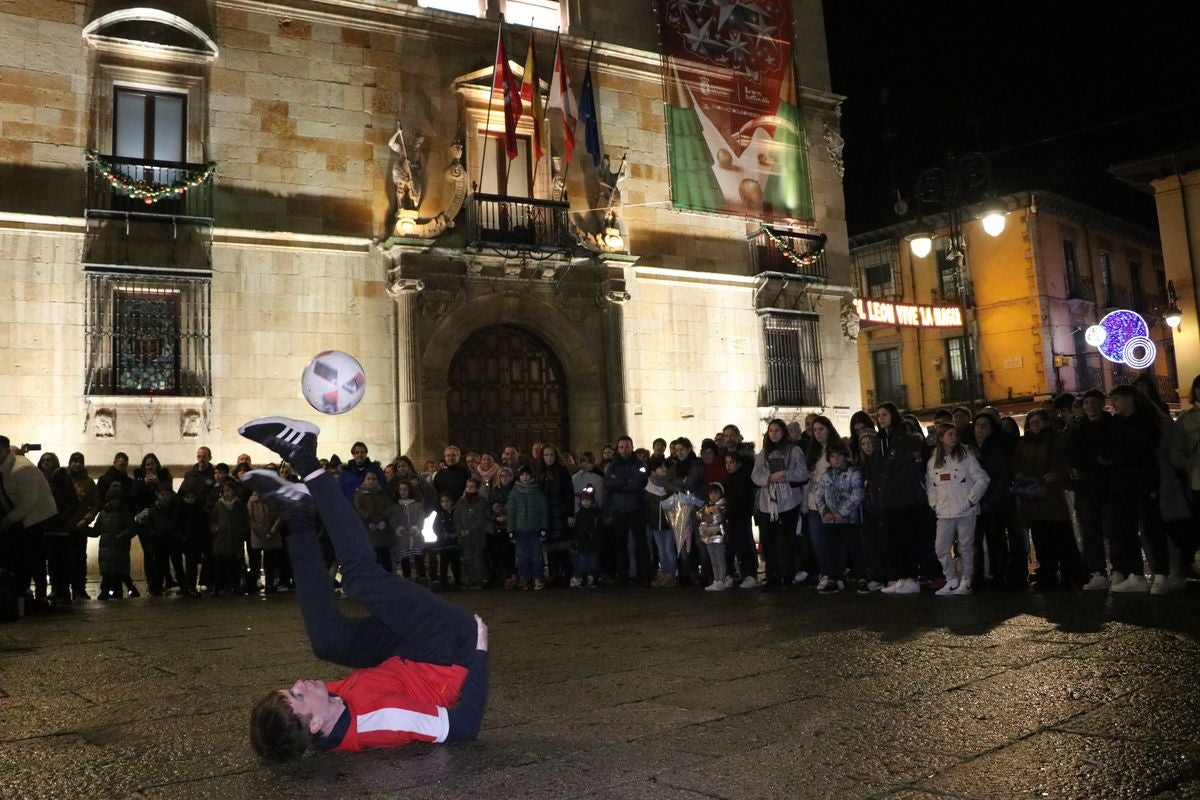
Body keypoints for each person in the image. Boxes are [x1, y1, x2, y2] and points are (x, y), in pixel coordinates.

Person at [235, 416, 487, 761]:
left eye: (290, 689)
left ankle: (297, 513)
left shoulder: (323, 715)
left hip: (403, 655)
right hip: (450, 647)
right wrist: (479, 650)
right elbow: (463, 728)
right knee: (359, 579)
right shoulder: (380, 720)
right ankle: (305, 456)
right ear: (315, 723)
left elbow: (297, 725)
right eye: (298, 696)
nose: (301, 683)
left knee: (328, 641)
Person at [1014, 409, 1085, 591]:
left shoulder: (1055, 441)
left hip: (1053, 495)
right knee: (1041, 537)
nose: (1034, 424)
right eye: (1031, 421)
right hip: (1033, 496)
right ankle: (1048, 573)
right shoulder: (1024, 444)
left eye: (1038, 421)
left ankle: (1070, 573)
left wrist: (1057, 475)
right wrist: (1020, 474)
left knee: (1061, 535)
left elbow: (1065, 463)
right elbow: (1017, 464)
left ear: (1046, 422)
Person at [926, 424, 989, 597]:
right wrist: (934, 504)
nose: (953, 437)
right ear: (940, 437)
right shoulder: (933, 462)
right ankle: (951, 579)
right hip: (944, 512)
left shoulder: (966, 456)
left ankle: (966, 581)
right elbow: (931, 486)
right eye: (949, 434)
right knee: (941, 547)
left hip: (965, 511)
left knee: (965, 547)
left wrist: (970, 500)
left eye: (955, 434)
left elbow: (982, 479)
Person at [874, 403, 929, 595]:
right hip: (888, 499)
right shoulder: (881, 440)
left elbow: (910, 469)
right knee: (892, 540)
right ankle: (899, 577)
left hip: (905, 499)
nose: (881, 418)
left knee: (907, 538)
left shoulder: (906, 439)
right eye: (878, 415)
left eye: (884, 414)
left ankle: (911, 577)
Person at [751, 419, 809, 590]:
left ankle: (788, 575)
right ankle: (772, 575)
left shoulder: (794, 450)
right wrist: (769, 477)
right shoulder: (763, 453)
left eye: (777, 430)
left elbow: (802, 472)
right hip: (768, 503)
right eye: (771, 430)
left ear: (783, 432)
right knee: (769, 540)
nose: (774, 433)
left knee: (787, 540)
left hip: (789, 501)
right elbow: (755, 475)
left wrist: (785, 474)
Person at [0, 437, 58, 605]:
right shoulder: (8, 469)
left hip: (35, 520)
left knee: (33, 559)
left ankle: (36, 597)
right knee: (24, 559)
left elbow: (28, 502)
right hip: (22, 520)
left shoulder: (22, 469)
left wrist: (7, 521)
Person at [814, 441, 866, 593]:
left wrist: (842, 513)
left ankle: (861, 577)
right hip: (830, 521)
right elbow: (819, 495)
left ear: (845, 456)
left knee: (854, 548)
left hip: (849, 520)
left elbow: (857, 494)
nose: (836, 459)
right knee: (831, 549)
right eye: (832, 456)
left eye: (839, 456)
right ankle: (834, 578)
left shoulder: (853, 473)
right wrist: (825, 512)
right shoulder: (826, 475)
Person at [603, 436, 649, 585]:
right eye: (621, 447)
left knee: (640, 544)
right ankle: (623, 575)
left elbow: (638, 483)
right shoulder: (612, 466)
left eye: (627, 446)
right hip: (618, 510)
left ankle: (643, 575)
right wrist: (626, 481)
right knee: (620, 545)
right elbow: (608, 483)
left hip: (635, 509)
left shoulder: (639, 464)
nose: (624, 450)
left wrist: (619, 482)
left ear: (632, 447)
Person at [506, 465, 548, 590]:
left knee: (536, 555)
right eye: (522, 475)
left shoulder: (537, 492)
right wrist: (511, 529)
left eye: (527, 475)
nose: (525, 477)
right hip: (520, 530)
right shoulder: (514, 493)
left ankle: (537, 578)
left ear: (531, 476)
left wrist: (543, 527)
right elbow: (511, 513)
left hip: (534, 528)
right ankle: (523, 578)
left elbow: (543, 511)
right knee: (522, 556)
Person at [721, 451, 758, 588]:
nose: (728, 466)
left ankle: (750, 574)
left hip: (742, 516)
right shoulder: (727, 479)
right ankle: (730, 573)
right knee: (730, 546)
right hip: (731, 517)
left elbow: (745, 499)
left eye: (731, 462)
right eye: (727, 463)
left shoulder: (744, 479)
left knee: (745, 545)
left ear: (738, 464)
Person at [92, 484, 135, 599]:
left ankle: (118, 590)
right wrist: (84, 530)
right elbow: (96, 530)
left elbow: (132, 529)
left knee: (119, 571)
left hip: (120, 547)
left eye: (117, 499)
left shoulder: (125, 513)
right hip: (107, 548)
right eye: (112, 499)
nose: (114, 502)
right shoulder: (103, 514)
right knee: (107, 571)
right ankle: (107, 591)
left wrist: (122, 536)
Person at [452, 478, 491, 589]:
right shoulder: (461, 502)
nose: (469, 489)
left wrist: (470, 530)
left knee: (477, 558)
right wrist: (460, 530)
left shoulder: (481, 502)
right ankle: (469, 579)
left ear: (477, 488)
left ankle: (479, 580)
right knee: (467, 559)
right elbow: (456, 518)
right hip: (464, 536)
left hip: (477, 536)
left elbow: (481, 519)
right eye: (467, 486)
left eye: (472, 487)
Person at [643, 456, 677, 588]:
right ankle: (664, 572)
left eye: (664, 466)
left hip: (668, 524)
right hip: (655, 523)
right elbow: (646, 506)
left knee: (669, 549)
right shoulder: (648, 487)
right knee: (661, 550)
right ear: (653, 471)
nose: (664, 469)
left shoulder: (669, 485)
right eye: (660, 467)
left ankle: (671, 574)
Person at [697, 483, 729, 591]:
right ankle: (717, 579)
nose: (713, 496)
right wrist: (703, 516)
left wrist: (707, 517)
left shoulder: (722, 505)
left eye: (716, 493)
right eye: (711, 493)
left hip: (719, 536)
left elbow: (719, 517)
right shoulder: (707, 506)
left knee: (720, 558)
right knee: (713, 560)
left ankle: (721, 580)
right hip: (708, 537)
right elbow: (699, 513)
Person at [569, 488, 602, 588]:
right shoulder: (579, 514)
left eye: (588, 500)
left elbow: (598, 528)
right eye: (584, 500)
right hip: (582, 543)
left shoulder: (595, 514)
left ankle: (593, 579)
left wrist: (592, 535)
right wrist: (575, 540)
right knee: (583, 562)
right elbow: (576, 528)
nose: (586, 502)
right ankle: (584, 579)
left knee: (593, 562)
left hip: (593, 543)